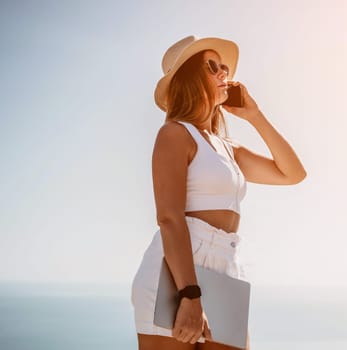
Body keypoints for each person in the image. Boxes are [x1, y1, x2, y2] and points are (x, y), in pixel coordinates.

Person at [130, 35, 307, 350]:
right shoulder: (174, 134)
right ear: (190, 79)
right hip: (177, 267)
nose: (223, 73)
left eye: (224, 67)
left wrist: (254, 115)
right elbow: (169, 218)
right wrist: (189, 294)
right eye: (212, 67)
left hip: (226, 262)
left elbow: (293, 173)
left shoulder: (229, 149)